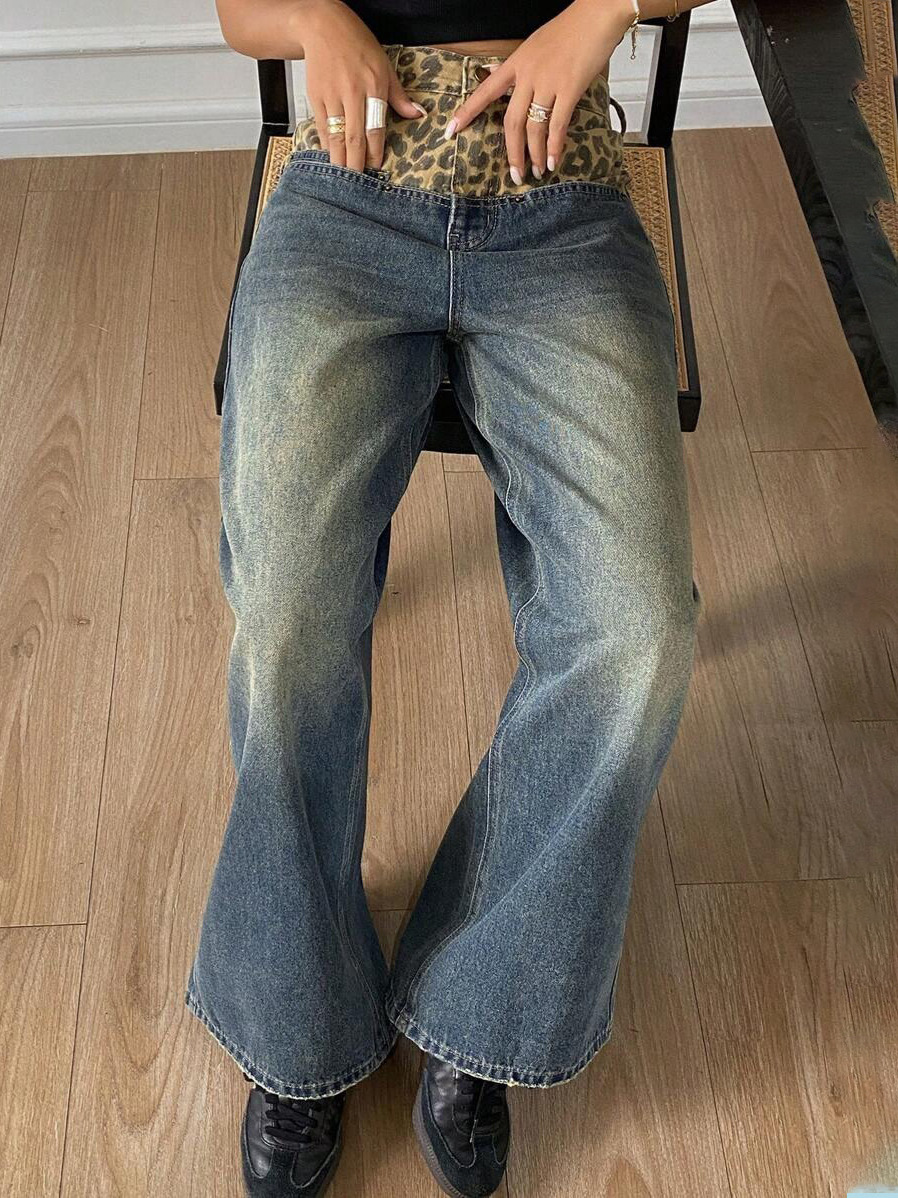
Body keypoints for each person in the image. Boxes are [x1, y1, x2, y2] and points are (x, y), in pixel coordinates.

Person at [185, 0, 713, 1193]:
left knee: (636, 630)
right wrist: (313, 17)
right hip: (350, 193)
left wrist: (601, 15)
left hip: (560, 193)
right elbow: (237, 12)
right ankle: (297, 1019)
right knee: (285, 612)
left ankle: (484, 994)